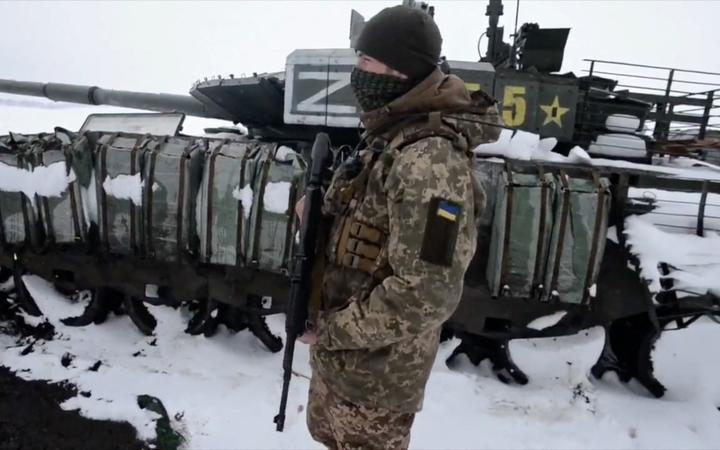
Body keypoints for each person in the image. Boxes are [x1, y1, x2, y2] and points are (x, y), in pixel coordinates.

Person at [298, 5, 500, 449]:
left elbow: (426, 293)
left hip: (376, 376)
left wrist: (331, 331)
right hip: (346, 360)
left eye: (366, 61)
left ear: (397, 70)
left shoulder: (429, 162)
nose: (357, 72)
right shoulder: (392, 136)